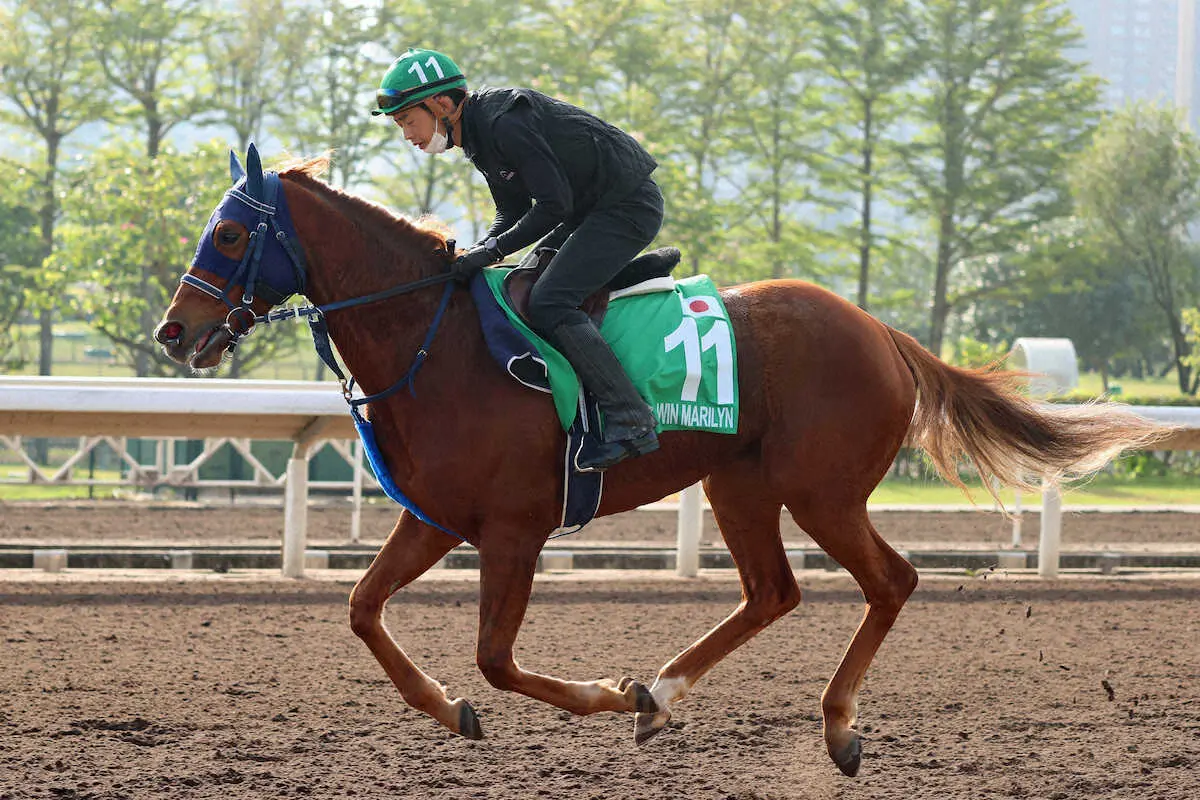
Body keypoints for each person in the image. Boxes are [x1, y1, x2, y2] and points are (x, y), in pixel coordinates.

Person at [372, 48, 668, 471]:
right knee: (523, 287)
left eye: (407, 120)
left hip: (626, 206)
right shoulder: (475, 137)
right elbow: (510, 212)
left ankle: (632, 420)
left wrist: (492, 250)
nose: (406, 134)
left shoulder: (504, 123)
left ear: (440, 103)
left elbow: (553, 205)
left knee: (549, 301)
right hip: (590, 210)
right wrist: (479, 249)